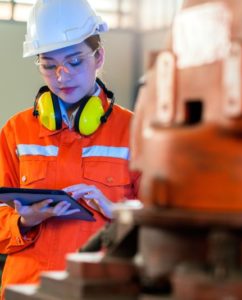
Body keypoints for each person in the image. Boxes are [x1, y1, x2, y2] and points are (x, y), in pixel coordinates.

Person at [0, 0, 139, 298]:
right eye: (49, 65)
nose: (61, 76)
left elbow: (159, 229)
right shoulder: (16, 131)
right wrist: (24, 222)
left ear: (98, 56)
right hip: (27, 290)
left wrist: (117, 213)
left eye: (74, 61)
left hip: (101, 290)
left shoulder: (134, 133)